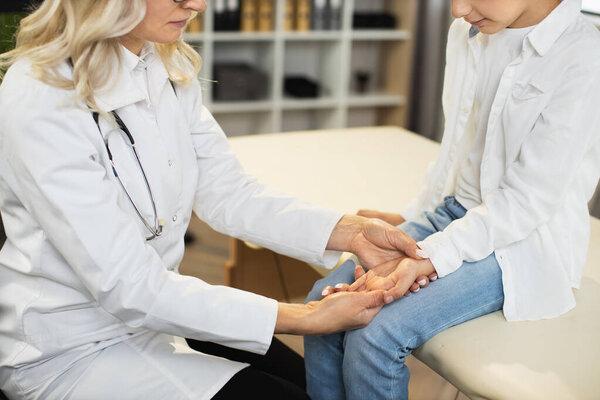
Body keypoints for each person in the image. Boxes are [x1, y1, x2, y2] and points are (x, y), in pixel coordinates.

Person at [0, 0, 432, 399]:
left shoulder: (161, 64)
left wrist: (351, 232)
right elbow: (128, 285)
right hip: (70, 347)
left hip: (154, 315)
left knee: (313, 386)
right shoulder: (42, 96)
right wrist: (307, 317)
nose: (198, 4)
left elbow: (229, 193)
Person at [304, 0, 600, 398]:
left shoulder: (583, 56)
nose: (458, 9)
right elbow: (455, 147)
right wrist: (410, 219)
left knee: (375, 334)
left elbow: (527, 202)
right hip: (454, 216)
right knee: (323, 308)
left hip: (520, 245)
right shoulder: (468, 30)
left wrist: (429, 255)